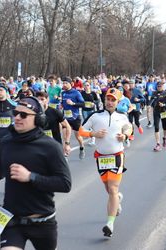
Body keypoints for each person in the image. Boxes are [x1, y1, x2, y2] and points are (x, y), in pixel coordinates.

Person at [0, 96, 71, 250]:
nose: (17, 117)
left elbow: (65, 183)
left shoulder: (50, 147)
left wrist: (30, 177)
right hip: (11, 219)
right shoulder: (7, 141)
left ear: (38, 119)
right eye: (16, 113)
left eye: (23, 115)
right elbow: (0, 168)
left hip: (42, 221)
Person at [78, 88, 132, 237]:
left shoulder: (122, 116)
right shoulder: (96, 116)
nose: (109, 102)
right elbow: (81, 131)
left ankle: (110, 224)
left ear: (118, 102)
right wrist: (93, 134)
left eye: (113, 100)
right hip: (101, 158)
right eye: (108, 99)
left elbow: (129, 128)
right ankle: (117, 201)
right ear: (104, 100)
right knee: (109, 190)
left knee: (113, 189)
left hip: (117, 156)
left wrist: (125, 135)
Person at [36, 91, 72, 157]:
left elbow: (67, 126)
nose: (40, 101)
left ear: (47, 100)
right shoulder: (33, 113)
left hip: (55, 145)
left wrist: (67, 143)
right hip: (39, 146)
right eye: (38, 99)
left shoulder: (55, 112)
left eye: (42, 99)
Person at [61, 76, 85, 159]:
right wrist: (61, 105)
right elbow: (63, 103)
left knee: (78, 136)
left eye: (66, 83)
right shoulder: (63, 93)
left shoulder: (76, 93)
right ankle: (66, 154)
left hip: (75, 117)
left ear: (71, 84)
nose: (64, 84)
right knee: (65, 136)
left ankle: (82, 147)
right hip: (66, 118)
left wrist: (73, 104)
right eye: (63, 83)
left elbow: (83, 104)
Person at [150, 82, 166, 151]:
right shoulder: (154, 93)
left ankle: (164, 138)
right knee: (156, 127)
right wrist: (149, 105)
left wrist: (164, 105)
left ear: (163, 86)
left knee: (164, 127)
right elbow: (151, 101)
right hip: (156, 112)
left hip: (164, 112)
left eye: (160, 86)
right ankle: (158, 144)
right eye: (158, 86)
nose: (159, 87)